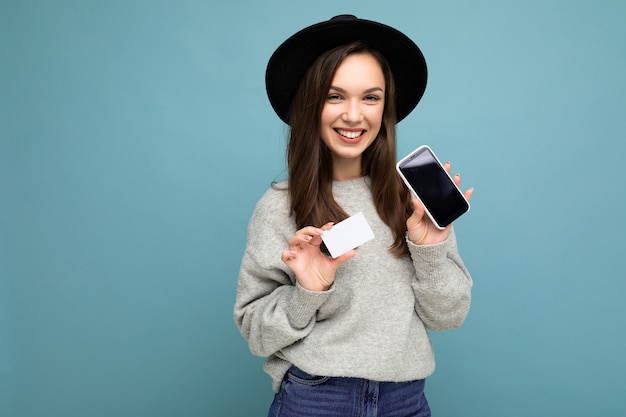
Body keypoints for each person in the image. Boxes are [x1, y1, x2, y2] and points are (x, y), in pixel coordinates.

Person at [234, 15, 474, 417]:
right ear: (311, 104)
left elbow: (449, 317)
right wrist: (306, 292)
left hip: (405, 401)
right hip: (316, 399)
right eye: (334, 96)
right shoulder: (279, 207)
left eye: (370, 97)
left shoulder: (412, 202)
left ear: (386, 107)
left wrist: (430, 251)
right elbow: (257, 334)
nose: (353, 115)